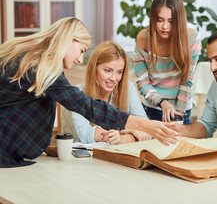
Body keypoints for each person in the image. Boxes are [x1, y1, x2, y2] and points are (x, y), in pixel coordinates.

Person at [0, 17, 178, 168]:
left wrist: (43, 145)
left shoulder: (34, 60)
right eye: (81, 51)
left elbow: (20, 107)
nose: (79, 59)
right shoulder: (43, 66)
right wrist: (143, 125)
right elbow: (84, 105)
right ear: (68, 40)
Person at [134, 0, 201, 124]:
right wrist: (162, 103)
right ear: (153, 18)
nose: (165, 26)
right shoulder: (143, 38)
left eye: (171, 21)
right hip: (152, 109)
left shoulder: (191, 38)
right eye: (160, 20)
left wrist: (179, 114)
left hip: (180, 110)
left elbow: (187, 80)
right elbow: (142, 81)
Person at [72, 41, 151, 145]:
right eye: (108, 71)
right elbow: (86, 134)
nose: (114, 78)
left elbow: (144, 127)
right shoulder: (78, 93)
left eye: (119, 72)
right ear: (94, 68)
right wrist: (127, 132)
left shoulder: (127, 86)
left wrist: (122, 138)